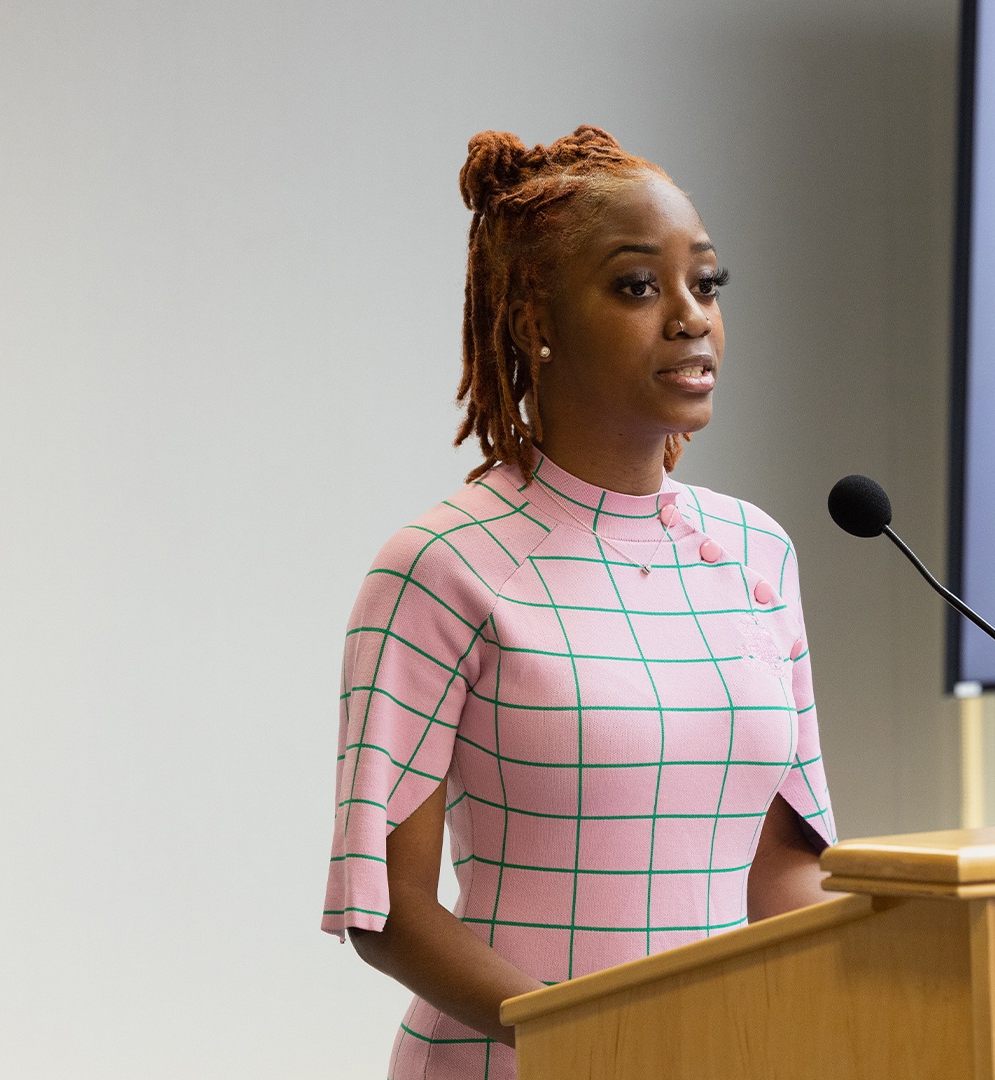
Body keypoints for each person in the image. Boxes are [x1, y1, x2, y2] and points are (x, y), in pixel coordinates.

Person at [321, 126, 836, 1079]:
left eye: (707, 285)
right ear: (534, 321)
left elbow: (780, 877)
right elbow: (389, 907)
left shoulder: (757, 552)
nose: (691, 317)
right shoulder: (439, 566)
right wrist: (586, 1033)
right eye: (639, 286)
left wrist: (889, 972)